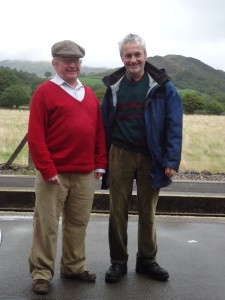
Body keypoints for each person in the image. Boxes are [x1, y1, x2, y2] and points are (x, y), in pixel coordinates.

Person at [101, 33, 183, 283]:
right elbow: (103, 122)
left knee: (148, 210)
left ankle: (147, 261)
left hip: (151, 156)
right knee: (117, 210)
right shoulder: (114, 86)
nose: (133, 59)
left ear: (145, 56)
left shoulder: (163, 86)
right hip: (120, 153)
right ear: (122, 58)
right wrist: (100, 159)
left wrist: (171, 159)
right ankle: (118, 262)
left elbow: (174, 123)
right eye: (128, 55)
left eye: (137, 54)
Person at [28, 40, 107, 294]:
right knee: (46, 225)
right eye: (66, 61)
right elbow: (36, 136)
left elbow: (98, 131)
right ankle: (41, 273)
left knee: (77, 223)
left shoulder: (89, 93)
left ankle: (73, 267)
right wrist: (47, 168)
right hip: (54, 174)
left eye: (76, 61)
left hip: (84, 173)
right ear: (55, 63)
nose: (72, 65)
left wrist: (100, 162)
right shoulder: (44, 92)